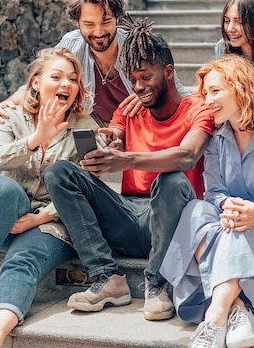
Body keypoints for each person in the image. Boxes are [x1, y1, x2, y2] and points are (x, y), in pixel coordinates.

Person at [43, 19, 214, 321]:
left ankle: (158, 283)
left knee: (173, 179)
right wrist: (107, 142)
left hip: (171, 219)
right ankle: (107, 277)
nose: (138, 87)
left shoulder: (198, 109)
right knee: (59, 172)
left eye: (146, 77)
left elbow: (187, 156)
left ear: (169, 73)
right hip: (126, 215)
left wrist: (129, 160)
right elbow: (117, 136)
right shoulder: (129, 107)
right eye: (133, 80)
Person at [159, 54, 254, 348]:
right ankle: (237, 308)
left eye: (215, 91)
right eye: (205, 93)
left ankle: (214, 317)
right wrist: (229, 208)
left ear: (240, 88)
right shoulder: (216, 136)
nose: (207, 100)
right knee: (196, 208)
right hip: (230, 225)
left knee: (238, 227)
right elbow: (213, 193)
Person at [0, 47, 98, 348]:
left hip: (53, 223)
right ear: (35, 82)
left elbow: (88, 187)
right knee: (1, 188)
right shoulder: (14, 117)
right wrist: (37, 139)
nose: (66, 84)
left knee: (23, 259)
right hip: (7, 216)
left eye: (73, 79)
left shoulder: (85, 128)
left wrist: (41, 216)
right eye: (57, 76)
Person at [0, 0, 190, 129]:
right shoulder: (71, 44)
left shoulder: (138, 44)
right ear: (77, 22)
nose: (99, 32)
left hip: (140, 126)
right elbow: (38, 83)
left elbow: (177, 91)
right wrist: (9, 103)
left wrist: (151, 93)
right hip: (92, 127)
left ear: (117, 19)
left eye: (106, 22)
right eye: (89, 24)